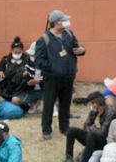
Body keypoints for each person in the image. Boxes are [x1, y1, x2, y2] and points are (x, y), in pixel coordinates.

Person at [34, 10, 85, 141]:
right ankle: (46, 130)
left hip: (68, 76)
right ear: (57, 23)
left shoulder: (68, 34)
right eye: (64, 20)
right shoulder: (44, 39)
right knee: (49, 104)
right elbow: (38, 61)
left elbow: (77, 47)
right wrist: (53, 67)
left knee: (65, 103)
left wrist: (82, 50)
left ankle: (65, 127)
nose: (67, 22)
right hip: (52, 78)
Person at [64, 92, 115, 162]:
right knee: (71, 130)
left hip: (103, 142)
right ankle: (69, 157)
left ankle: (84, 161)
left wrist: (92, 128)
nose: (90, 106)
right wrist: (92, 128)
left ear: (96, 104)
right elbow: (86, 125)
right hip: (91, 137)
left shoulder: (110, 113)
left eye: (91, 103)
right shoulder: (94, 111)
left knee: (91, 135)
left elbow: (103, 133)